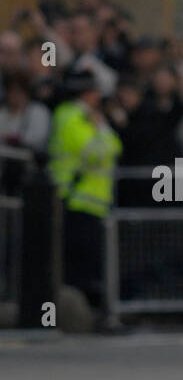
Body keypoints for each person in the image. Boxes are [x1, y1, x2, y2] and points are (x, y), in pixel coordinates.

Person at [48, 68, 121, 311]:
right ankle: (78, 314)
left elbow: (116, 147)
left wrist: (102, 133)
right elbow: (96, 153)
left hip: (91, 203)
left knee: (90, 264)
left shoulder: (86, 118)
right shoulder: (70, 116)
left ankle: (90, 311)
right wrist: (102, 130)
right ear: (87, 94)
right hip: (75, 200)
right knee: (78, 266)